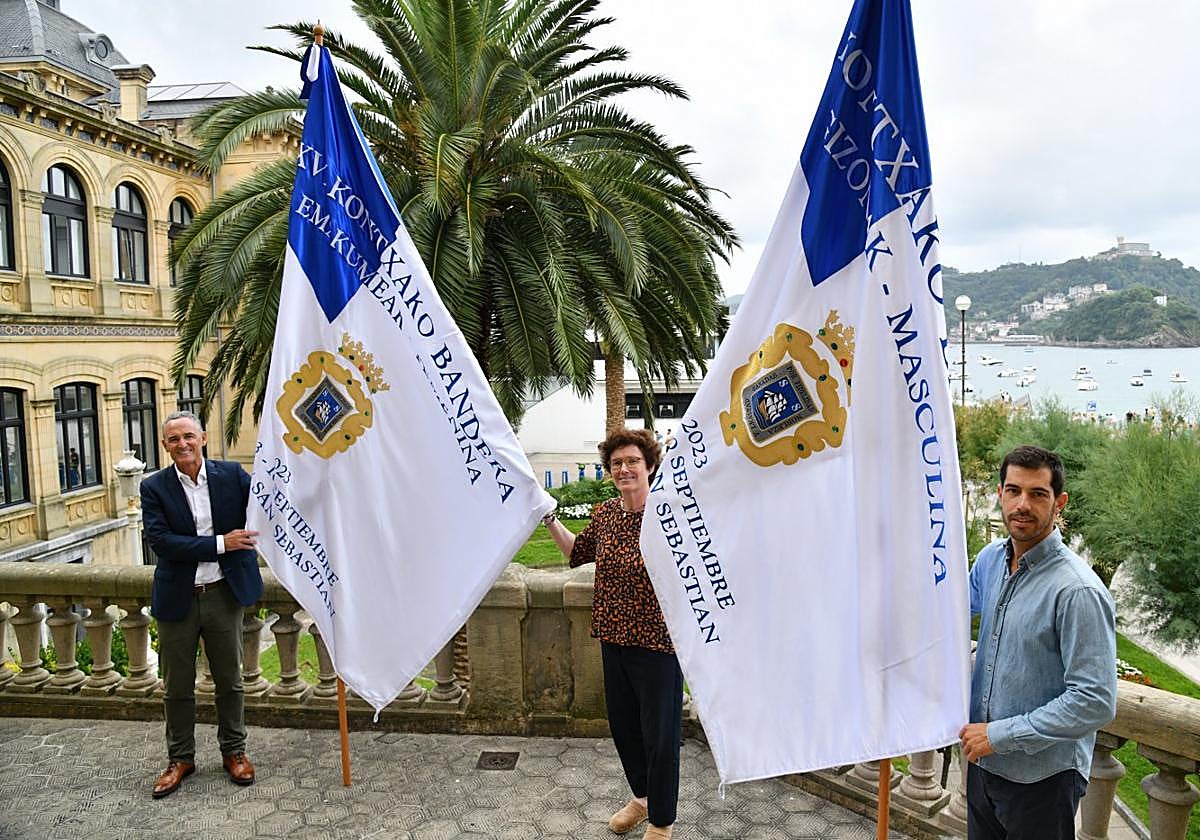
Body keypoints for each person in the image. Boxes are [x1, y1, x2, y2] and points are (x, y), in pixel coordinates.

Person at [960, 445, 1117, 839]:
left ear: (1059, 502)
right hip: (982, 767)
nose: (1022, 504)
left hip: (1042, 781)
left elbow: (1094, 700)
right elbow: (950, 615)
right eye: (1013, 491)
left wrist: (998, 736)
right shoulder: (991, 560)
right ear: (1000, 494)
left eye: (1037, 494)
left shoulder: (1077, 591)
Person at [544, 428, 680, 840]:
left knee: (660, 737)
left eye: (633, 461)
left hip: (657, 645)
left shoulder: (669, 515)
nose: (624, 469)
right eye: (617, 463)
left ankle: (661, 822)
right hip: (613, 639)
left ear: (650, 466)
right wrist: (548, 517)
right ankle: (641, 800)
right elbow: (574, 552)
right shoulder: (604, 515)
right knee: (625, 729)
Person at [140, 410, 263, 799]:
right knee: (177, 686)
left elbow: (269, 505)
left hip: (223, 596)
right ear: (165, 445)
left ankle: (234, 751)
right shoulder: (154, 487)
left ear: (204, 438)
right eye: (174, 439)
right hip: (178, 598)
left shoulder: (232, 477)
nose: (182, 444)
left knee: (230, 681)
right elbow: (163, 543)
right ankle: (180, 759)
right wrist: (220, 543)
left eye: (188, 436)